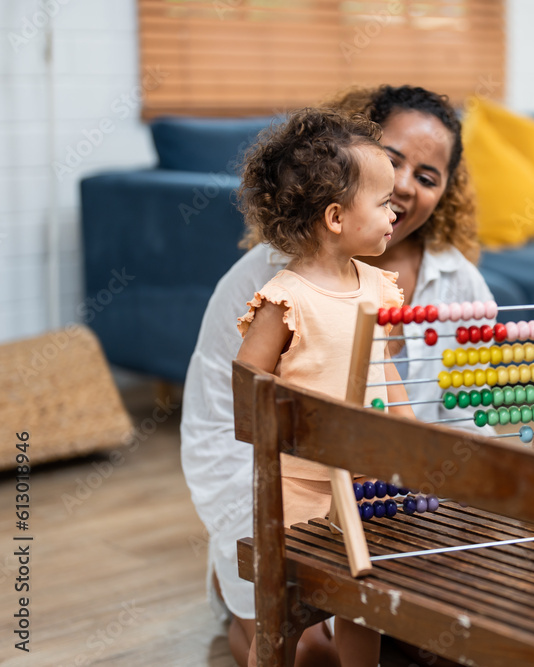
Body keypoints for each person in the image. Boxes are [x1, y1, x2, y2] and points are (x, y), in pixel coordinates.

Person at [180, 86, 494, 666]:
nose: (404, 187)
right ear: (337, 188)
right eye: (393, 162)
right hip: (287, 498)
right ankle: (245, 624)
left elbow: (465, 422)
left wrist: (420, 480)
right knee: (307, 650)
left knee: (433, 638)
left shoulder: (448, 286)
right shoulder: (269, 284)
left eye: (429, 175)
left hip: (389, 503)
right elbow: (220, 427)